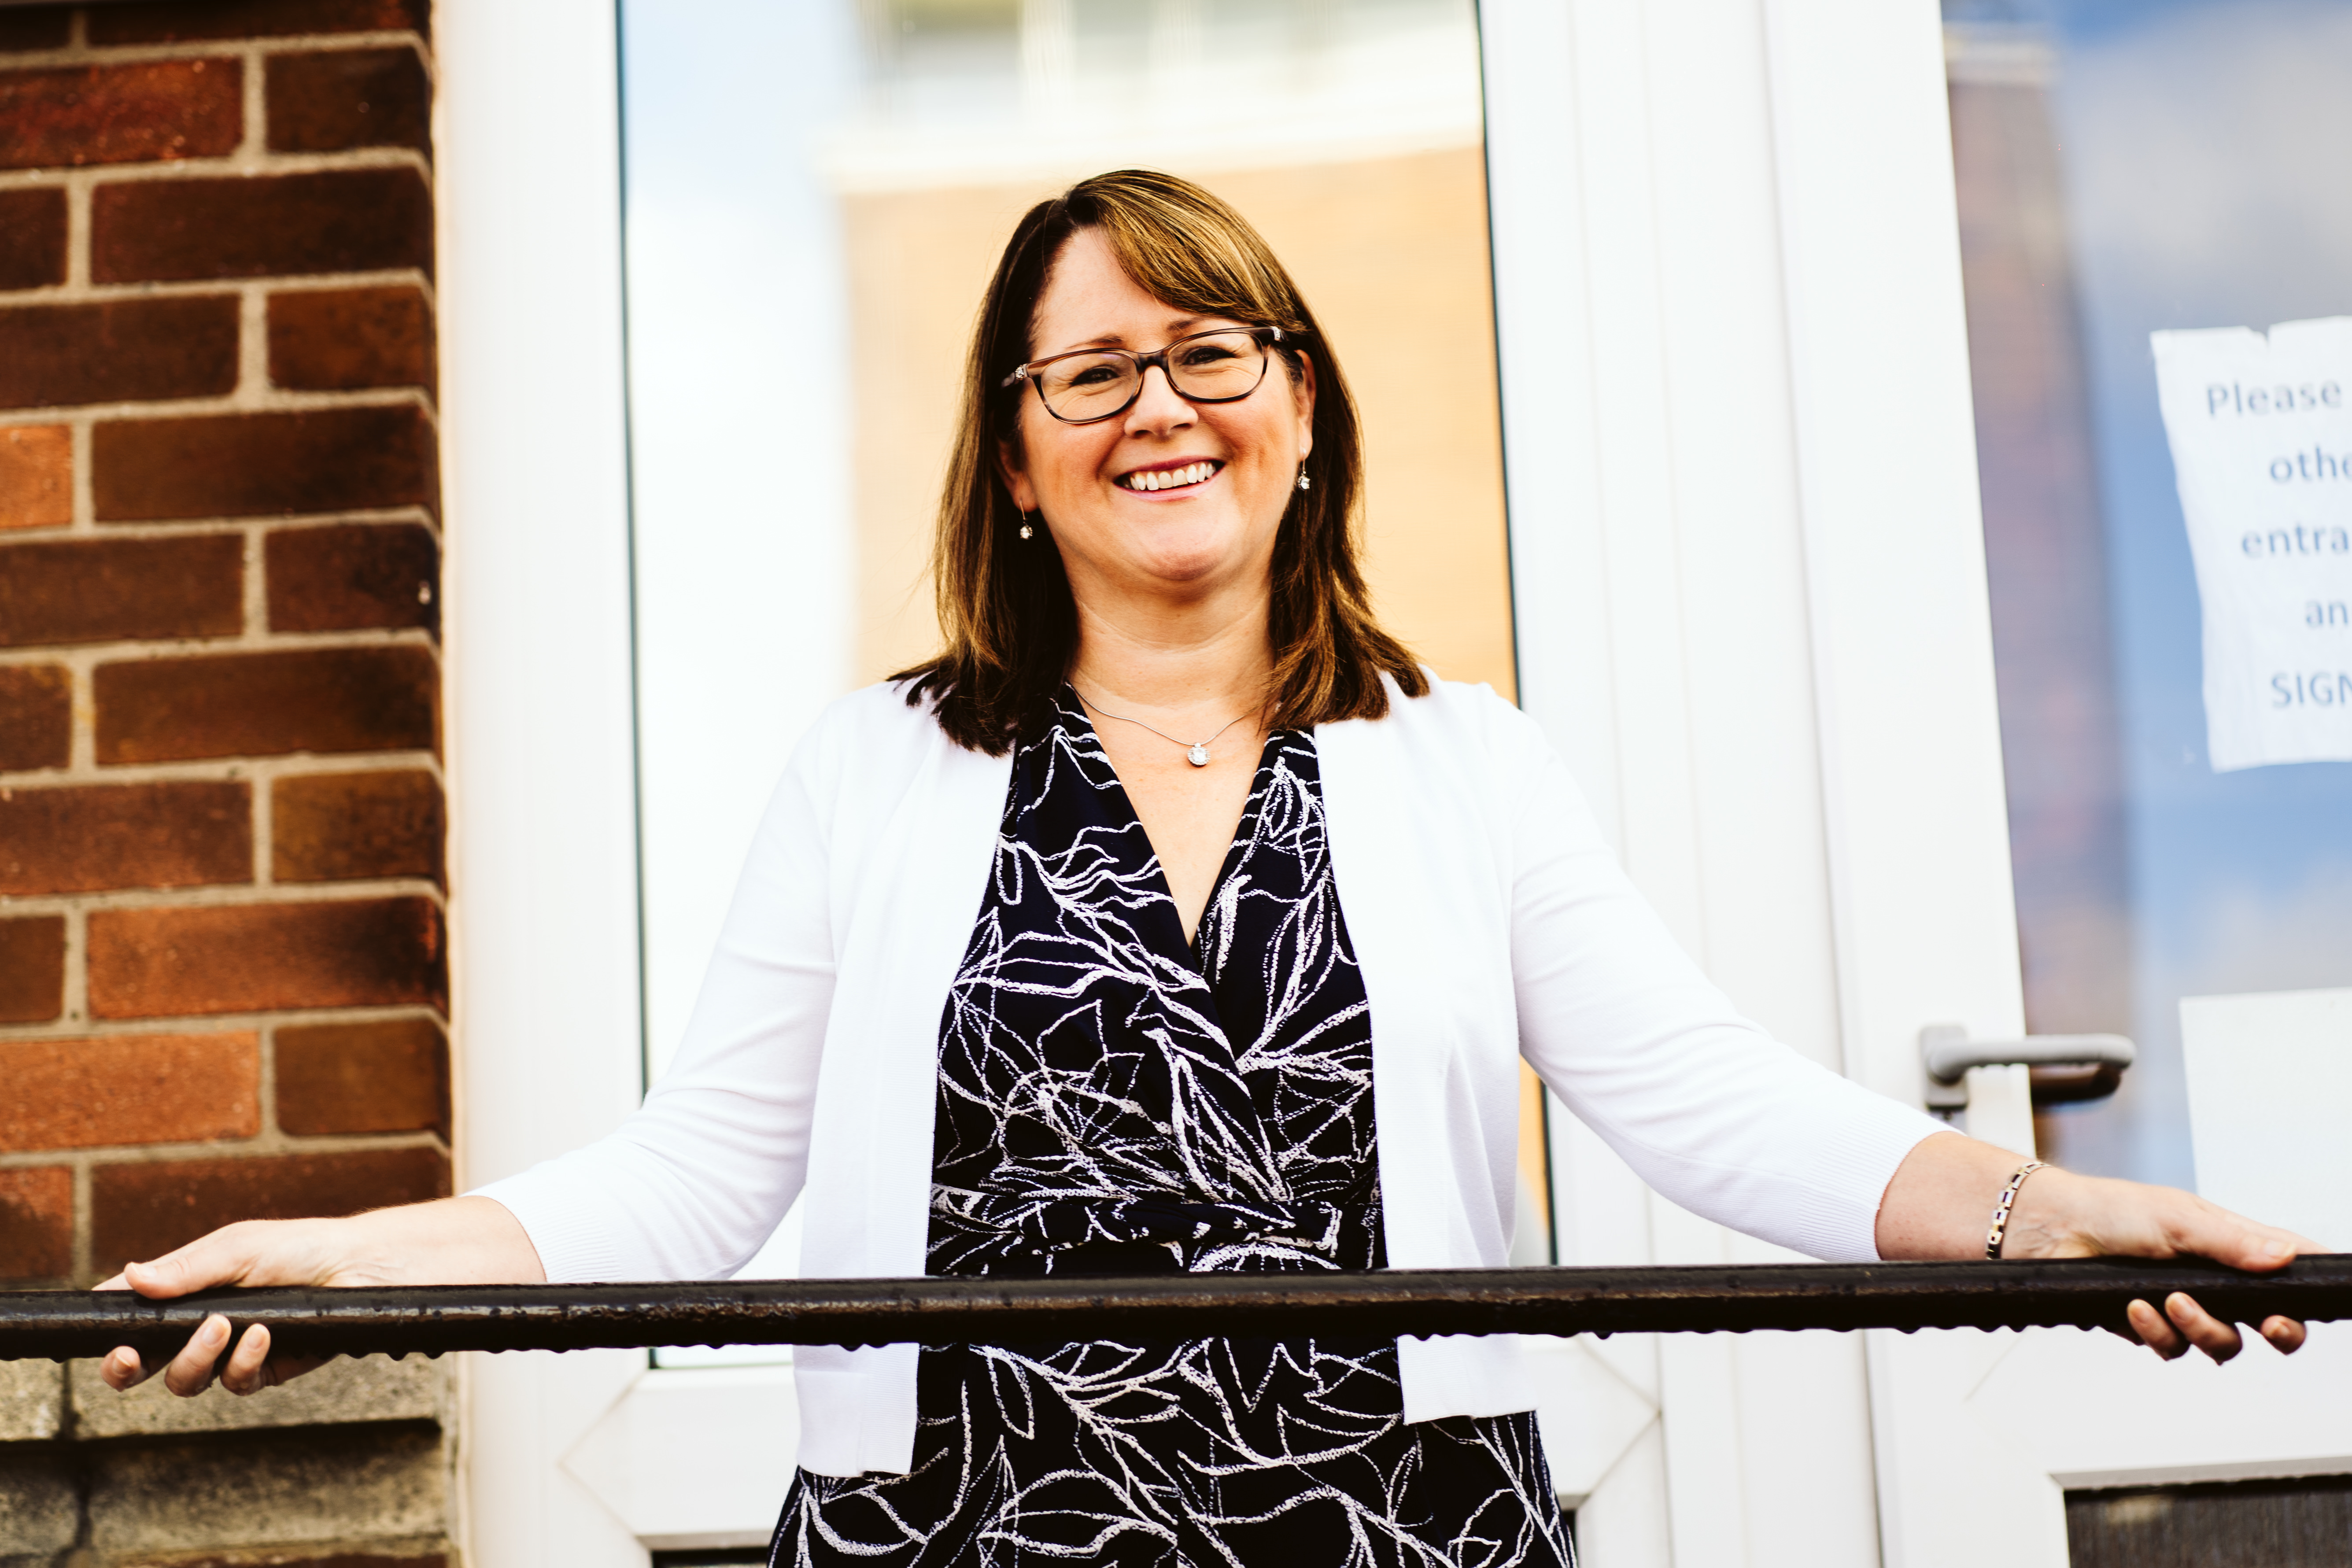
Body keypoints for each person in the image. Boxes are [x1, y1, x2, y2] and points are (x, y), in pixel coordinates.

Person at [101, 170, 2311, 1566]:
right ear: (1020, 455)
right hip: (950, 1533)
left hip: (1400, 1532)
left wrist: (2045, 1213)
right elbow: (697, 1178)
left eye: (1207, 349)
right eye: (1089, 371)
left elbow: (1712, 1104)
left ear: (1304, 407)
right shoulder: (879, 768)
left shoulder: (1457, 765)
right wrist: (358, 1258)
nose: (1157, 405)